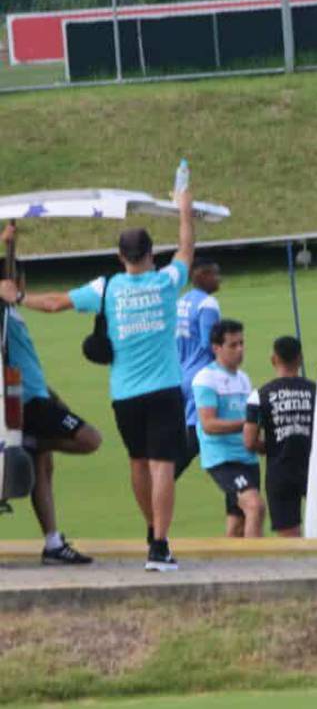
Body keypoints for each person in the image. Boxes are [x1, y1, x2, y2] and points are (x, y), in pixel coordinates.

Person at [1, 190, 196, 571]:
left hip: (125, 395)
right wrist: (184, 210)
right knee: (162, 467)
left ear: (120, 257)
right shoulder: (167, 282)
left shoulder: (106, 288)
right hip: (164, 391)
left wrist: (20, 295)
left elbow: (56, 302)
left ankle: (153, 531)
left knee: (139, 463)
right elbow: (187, 249)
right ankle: (159, 544)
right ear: (151, 254)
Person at [1, 223, 100, 565]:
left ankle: (53, 543)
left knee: (44, 468)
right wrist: (10, 251)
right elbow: (6, 276)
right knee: (90, 439)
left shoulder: (11, 312)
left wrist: (10, 244)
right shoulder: (3, 309)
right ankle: (32, 440)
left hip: (38, 395)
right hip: (27, 401)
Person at [193, 319, 265, 537]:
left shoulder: (244, 379)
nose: (240, 349)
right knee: (255, 506)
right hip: (224, 459)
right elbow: (209, 424)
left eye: (242, 343)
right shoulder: (206, 379)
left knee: (237, 525)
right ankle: (259, 567)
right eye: (233, 345)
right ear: (217, 348)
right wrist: (246, 425)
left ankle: (228, 570)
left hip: (247, 457)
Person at [243, 336, 315, 537]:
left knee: (289, 538)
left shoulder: (259, 396)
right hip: (314, 470)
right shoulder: (316, 391)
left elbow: (248, 441)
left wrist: (269, 447)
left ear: (273, 359)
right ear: (300, 359)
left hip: (280, 471)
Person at [175, 259, 222, 479]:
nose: (219, 279)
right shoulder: (208, 304)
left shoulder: (182, 302)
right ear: (203, 276)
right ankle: (161, 481)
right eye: (215, 274)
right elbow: (209, 343)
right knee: (195, 437)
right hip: (200, 377)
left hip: (181, 373)